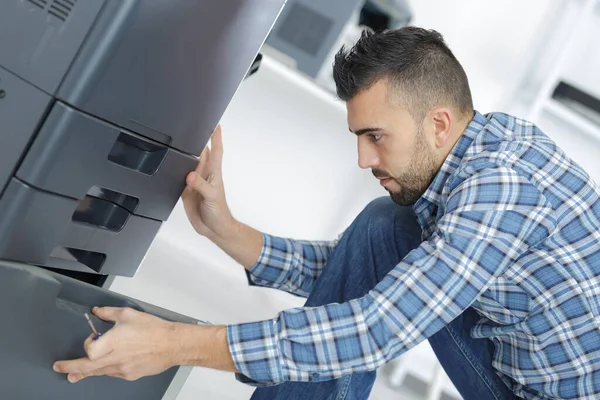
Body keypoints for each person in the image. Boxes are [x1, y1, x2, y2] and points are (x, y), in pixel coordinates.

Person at [53, 27, 600, 400]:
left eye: (376, 137)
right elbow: (373, 276)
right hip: (516, 373)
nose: (363, 158)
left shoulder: (501, 187)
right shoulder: (476, 143)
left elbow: (378, 326)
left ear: (437, 123)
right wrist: (228, 231)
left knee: (382, 240)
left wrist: (172, 344)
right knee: (383, 224)